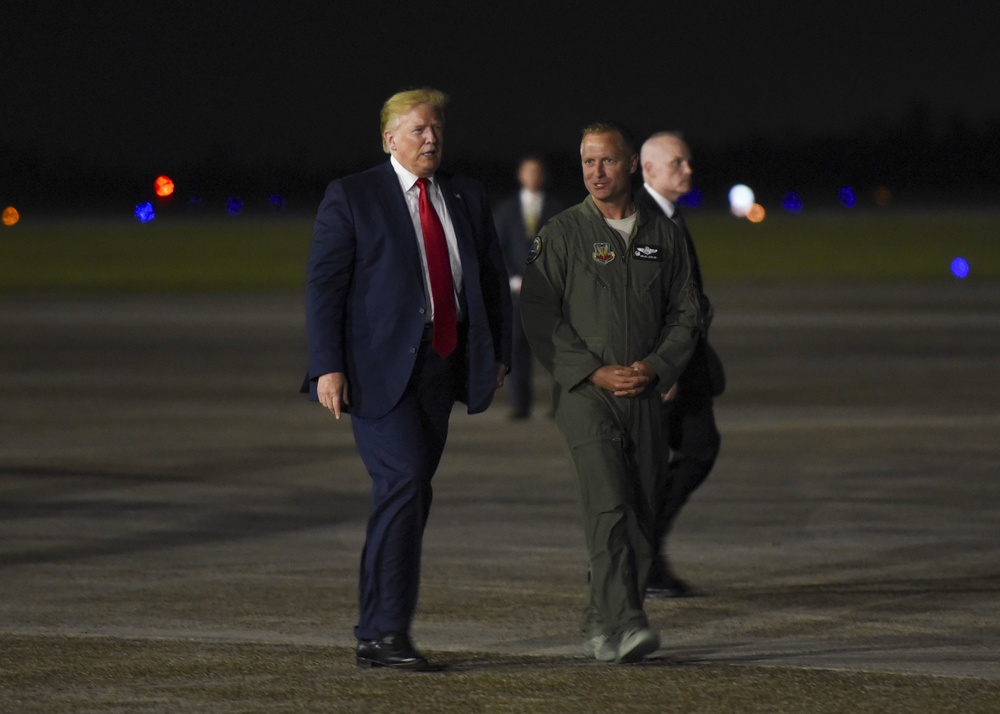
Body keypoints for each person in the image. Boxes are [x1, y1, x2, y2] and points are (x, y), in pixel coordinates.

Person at [302, 88, 512, 671]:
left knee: (410, 495)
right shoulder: (353, 195)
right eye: (418, 129)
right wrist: (327, 364)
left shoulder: (465, 195)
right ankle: (385, 632)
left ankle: (376, 629)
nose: (431, 138)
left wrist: (498, 352)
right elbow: (325, 286)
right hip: (375, 372)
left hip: (442, 365)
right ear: (389, 138)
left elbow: (490, 278)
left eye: (437, 129)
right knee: (405, 480)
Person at [520, 121, 701, 663]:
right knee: (609, 505)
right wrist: (593, 372)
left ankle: (600, 621)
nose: (595, 172)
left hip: (643, 394)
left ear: (628, 167)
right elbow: (538, 314)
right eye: (586, 162)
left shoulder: (664, 234)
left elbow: (688, 313)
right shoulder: (560, 234)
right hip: (585, 395)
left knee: (642, 510)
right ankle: (627, 621)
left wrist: (657, 368)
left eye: (605, 162)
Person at [636, 132, 724, 599]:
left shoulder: (669, 215)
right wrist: (659, 369)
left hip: (684, 367)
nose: (687, 170)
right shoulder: (643, 221)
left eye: (688, 162)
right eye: (677, 163)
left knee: (697, 449)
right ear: (648, 171)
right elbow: (640, 304)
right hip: (661, 373)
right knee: (651, 467)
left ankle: (642, 554)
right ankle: (630, 560)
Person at [493, 156, 565, 419]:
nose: (533, 177)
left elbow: (563, 248)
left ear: (543, 176)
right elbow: (497, 248)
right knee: (517, 349)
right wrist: (512, 277)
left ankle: (559, 403)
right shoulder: (506, 209)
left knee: (553, 349)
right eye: (528, 172)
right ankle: (519, 404)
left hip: (549, 292)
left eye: (538, 172)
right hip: (516, 292)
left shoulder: (558, 208)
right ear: (520, 176)